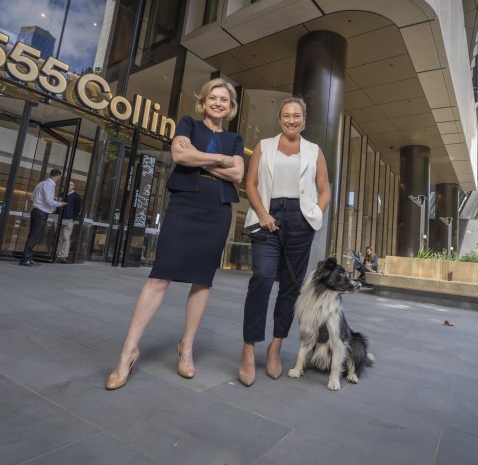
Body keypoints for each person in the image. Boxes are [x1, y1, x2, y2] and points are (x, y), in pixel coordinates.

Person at [105, 78, 244, 390]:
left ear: (231, 107)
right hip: (184, 206)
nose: (218, 103)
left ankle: (187, 348)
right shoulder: (188, 123)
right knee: (159, 277)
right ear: (204, 102)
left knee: (202, 281)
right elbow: (181, 157)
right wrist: (219, 160)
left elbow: (238, 173)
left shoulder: (235, 138)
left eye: (224, 99)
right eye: (213, 97)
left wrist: (203, 158)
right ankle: (128, 351)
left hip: (217, 211)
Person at [237, 97, 331, 387]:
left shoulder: (314, 151)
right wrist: (263, 214)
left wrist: (313, 215)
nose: (291, 120)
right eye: (286, 115)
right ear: (280, 119)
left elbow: (325, 189)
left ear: (304, 119)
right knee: (262, 278)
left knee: (291, 286)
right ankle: (249, 351)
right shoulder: (264, 146)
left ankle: (275, 348)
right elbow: (250, 184)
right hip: (268, 216)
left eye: (297, 115)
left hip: (300, 221)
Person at [20, 169, 65, 267]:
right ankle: (26, 259)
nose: (59, 179)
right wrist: (60, 204)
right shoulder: (50, 185)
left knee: (32, 235)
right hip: (41, 213)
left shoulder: (41, 183)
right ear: (58, 176)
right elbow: (49, 201)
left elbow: (32, 198)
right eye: (59, 177)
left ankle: (28, 258)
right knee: (34, 236)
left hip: (36, 211)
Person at [55, 180, 81, 263]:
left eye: (72, 185)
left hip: (69, 219)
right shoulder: (61, 194)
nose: (70, 186)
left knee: (66, 237)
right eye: (68, 184)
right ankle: (58, 255)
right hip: (60, 219)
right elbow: (57, 205)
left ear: (73, 187)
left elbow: (78, 209)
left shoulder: (76, 196)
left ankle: (64, 256)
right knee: (59, 238)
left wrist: (72, 218)